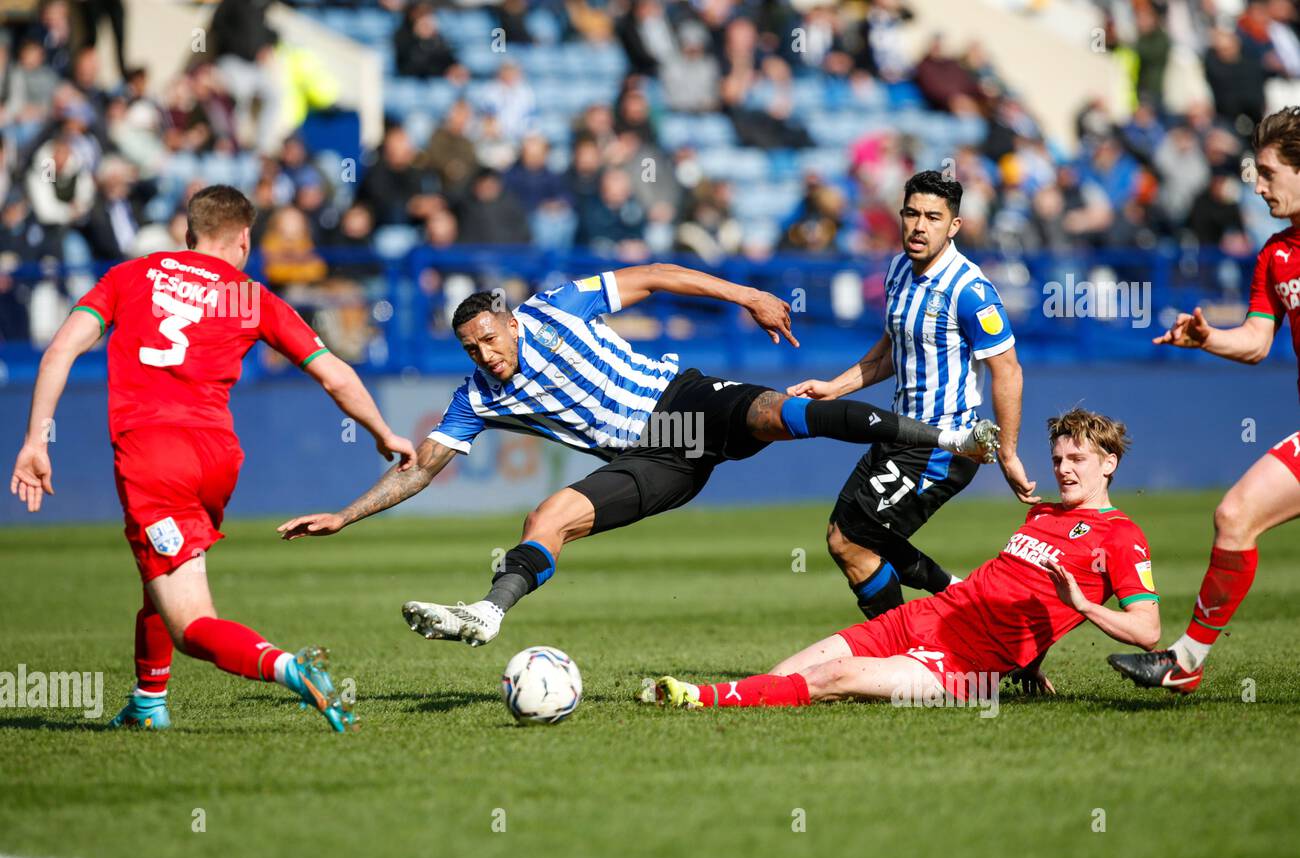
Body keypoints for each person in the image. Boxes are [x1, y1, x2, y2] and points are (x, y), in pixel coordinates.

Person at [278, 264, 1000, 647]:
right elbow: (420, 466)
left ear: (507, 318)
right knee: (549, 512)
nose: (486, 355)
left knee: (775, 411)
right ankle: (489, 614)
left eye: (489, 339)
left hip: (682, 400)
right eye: (472, 350)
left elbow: (653, 275)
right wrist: (347, 515)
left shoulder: (557, 306)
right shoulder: (479, 397)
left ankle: (942, 436)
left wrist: (745, 294)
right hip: (657, 458)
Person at [8, 185, 416, 731]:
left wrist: (37, 440)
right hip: (216, 458)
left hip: (153, 455)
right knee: (160, 578)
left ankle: (294, 669)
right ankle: (149, 702)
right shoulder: (251, 297)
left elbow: (59, 349)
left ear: (187, 233)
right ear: (244, 239)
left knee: (192, 623)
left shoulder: (128, 277)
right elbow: (333, 372)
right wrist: (384, 432)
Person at [638, 409, 1160, 709]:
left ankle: (694, 698)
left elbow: (1147, 632)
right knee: (789, 671)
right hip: (922, 618)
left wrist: (1083, 605)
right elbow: (1026, 601)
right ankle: (716, 707)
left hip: (963, 668)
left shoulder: (1122, 538)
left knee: (832, 678)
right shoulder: (1041, 514)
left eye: (1078, 460)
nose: (1064, 470)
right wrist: (1032, 662)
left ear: (1109, 463)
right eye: (1058, 459)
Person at [788, 170, 1038, 620]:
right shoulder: (899, 268)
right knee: (842, 539)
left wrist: (1009, 453)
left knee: (853, 540)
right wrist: (834, 387)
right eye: (912, 213)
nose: (919, 226)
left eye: (933, 217)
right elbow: (890, 353)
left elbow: (1008, 370)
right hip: (898, 431)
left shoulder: (970, 289)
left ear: (954, 226)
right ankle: (969, 606)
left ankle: (912, 641)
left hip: (943, 447)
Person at [1110, 107, 1300, 694]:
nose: (1259, 186)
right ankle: (1185, 662)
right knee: (1234, 516)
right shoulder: (1277, 255)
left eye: (1267, 172)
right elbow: (1257, 341)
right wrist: (1209, 337)